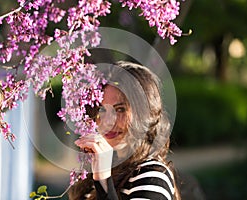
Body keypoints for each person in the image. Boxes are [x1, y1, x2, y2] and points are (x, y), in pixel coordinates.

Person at [69, 61, 181, 200]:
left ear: (144, 113)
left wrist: (103, 180)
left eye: (120, 109)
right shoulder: (95, 174)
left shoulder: (152, 176)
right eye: (102, 109)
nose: (108, 122)